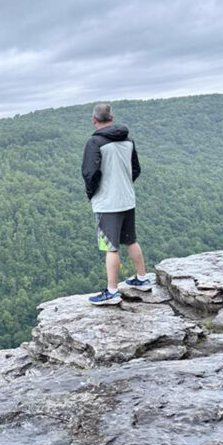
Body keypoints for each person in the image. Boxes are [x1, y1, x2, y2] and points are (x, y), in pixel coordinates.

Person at [81, 103, 152, 306]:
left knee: (110, 247)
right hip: (127, 199)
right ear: (111, 117)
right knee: (131, 240)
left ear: (94, 120)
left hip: (107, 203)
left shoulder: (95, 143)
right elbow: (136, 169)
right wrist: (124, 184)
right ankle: (142, 279)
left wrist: (92, 193)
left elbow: (90, 173)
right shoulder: (127, 140)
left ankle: (112, 291)